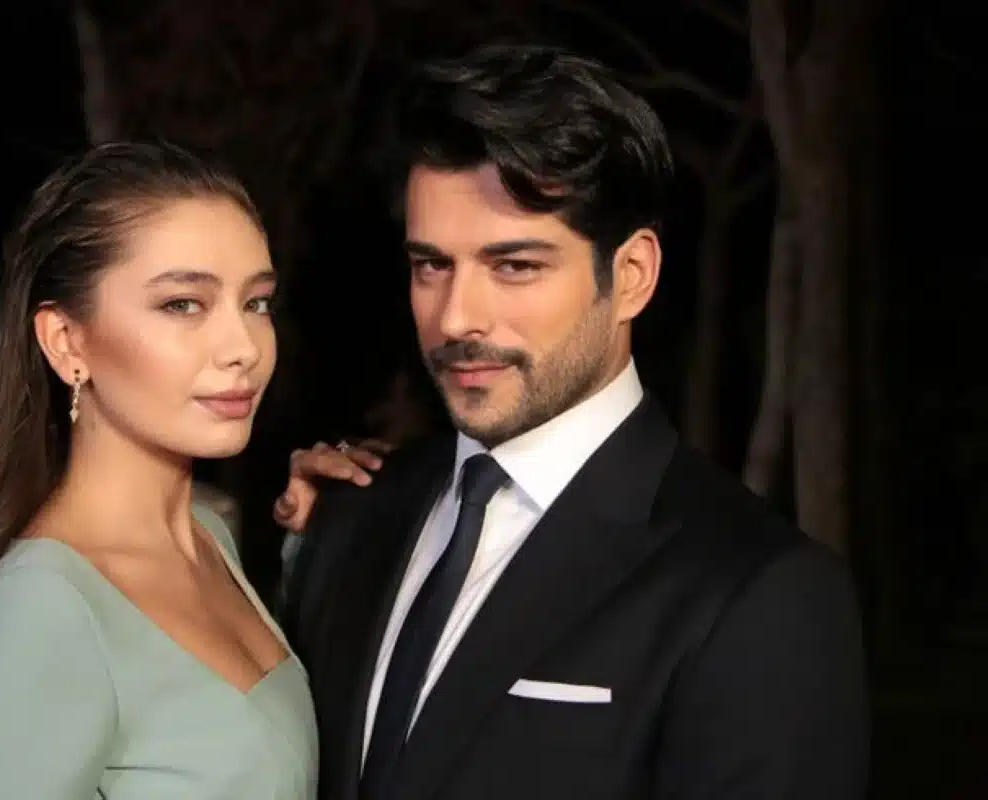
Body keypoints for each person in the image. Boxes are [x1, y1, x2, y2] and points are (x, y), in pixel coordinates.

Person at [276, 44, 868, 800]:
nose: (456, 318)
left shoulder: (759, 594)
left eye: (514, 266)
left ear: (631, 276)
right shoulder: (347, 520)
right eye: (432, 265)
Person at [0, 141, 317, 799]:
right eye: (183, 304)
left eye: (256, 303)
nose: (243, 347)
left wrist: (328, 540)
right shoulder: (43, 610)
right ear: (66, 342)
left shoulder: (209, 540)